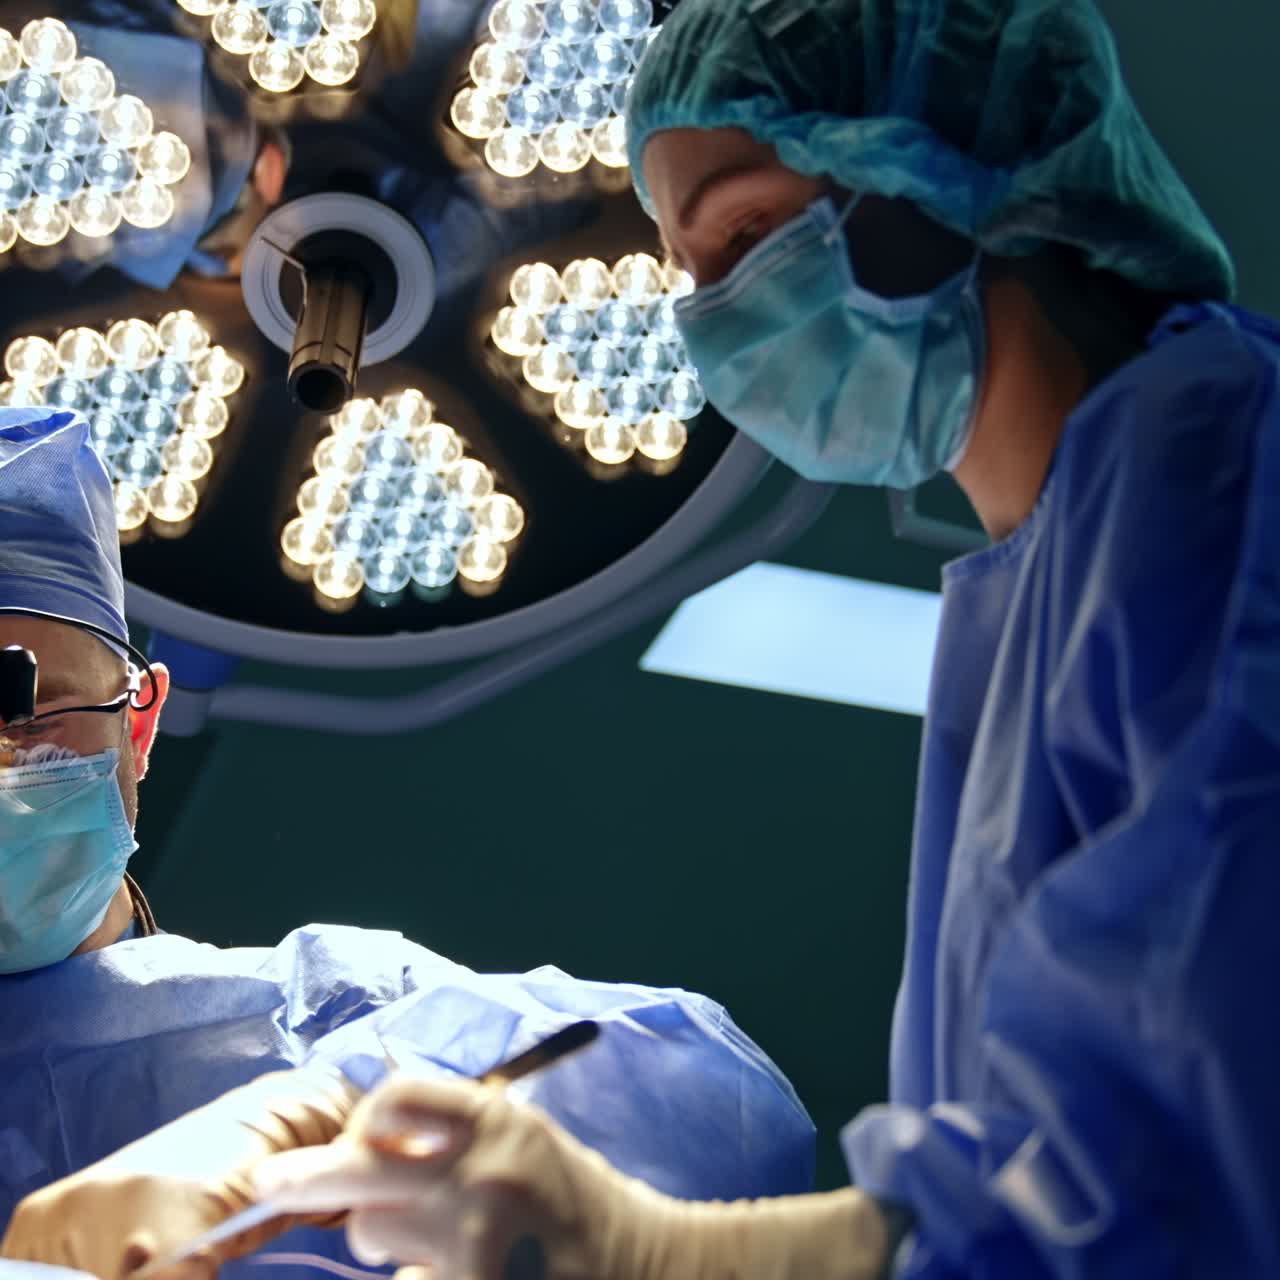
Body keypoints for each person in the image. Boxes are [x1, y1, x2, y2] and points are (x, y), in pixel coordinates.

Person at [225, 0, 1276, 1278]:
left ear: (930, 168)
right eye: (682, 269)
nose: (713, 318)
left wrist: (637, 1246)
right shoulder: (1023, 598)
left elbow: (1172, 1184)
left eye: (745, 228)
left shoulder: (1212, 455)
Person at [0, 409, 815, 1278]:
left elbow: (719, 1109)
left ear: (142, 723)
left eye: (28, 713)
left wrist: (340, 1102)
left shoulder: (323, 1016)